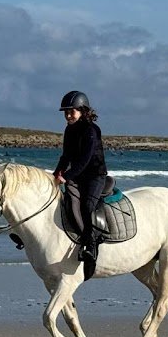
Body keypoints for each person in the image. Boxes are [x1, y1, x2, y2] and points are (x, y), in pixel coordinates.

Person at [52, 90, 108, 267]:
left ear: (82, 111)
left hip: (95, 176)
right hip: (77, 175)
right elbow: (66, 156)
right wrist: (56, 174)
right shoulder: (69, 130)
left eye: (72, 111)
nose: (68, 115)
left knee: (86, 206)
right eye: (66, 112)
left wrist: (67, 176)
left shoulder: (92, 130)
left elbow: (85, 159)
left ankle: (90, 244)